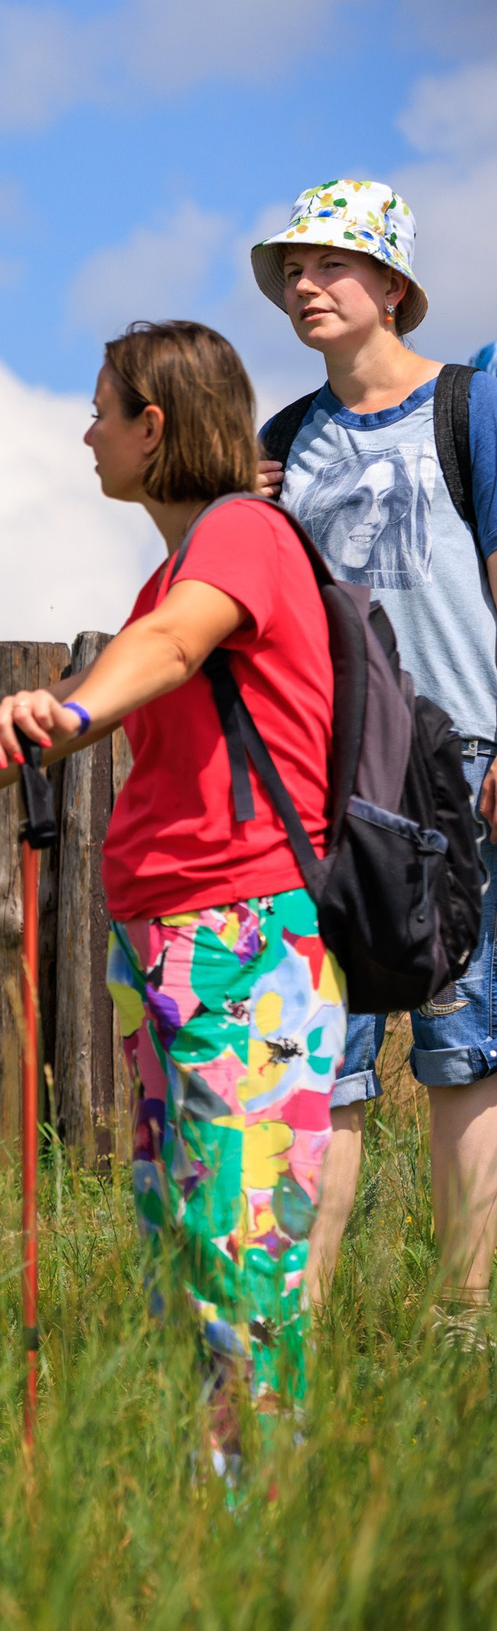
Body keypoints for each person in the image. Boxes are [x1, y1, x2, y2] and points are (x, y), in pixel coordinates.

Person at [0, 320, 340, 1480]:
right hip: (169, 944)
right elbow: (82, 688)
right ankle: (213, 1491)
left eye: (99, 410)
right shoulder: (171, 567)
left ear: (153, 425)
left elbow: (163, 654)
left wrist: (69, 717)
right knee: (178, 1243)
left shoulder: (245, 538)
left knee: (239, 1246)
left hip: (242, 939)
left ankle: (261, 1513)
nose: (86, 434)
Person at [249, 180, 497, 1345]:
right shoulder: (283, 442)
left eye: (328, 266)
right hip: (326, 786)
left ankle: (462, 1316)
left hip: (463, 767)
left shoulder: (471, 406)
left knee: (466, 1045)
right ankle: (298, 1319)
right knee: (322, 1062)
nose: (304, 285)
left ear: (389, 285)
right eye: (291, 270)